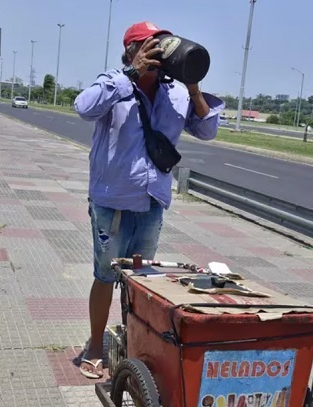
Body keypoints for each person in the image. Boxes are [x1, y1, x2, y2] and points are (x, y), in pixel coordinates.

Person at [74, 21, 225, 379]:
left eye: (163, 45)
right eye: (151, 45)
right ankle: (95, 346)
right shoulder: (115, 82)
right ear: (132, 50)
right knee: (106, 276)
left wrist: (193, 85)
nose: (160, 52)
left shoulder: (177, 92)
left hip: (153, 201)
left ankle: (137, 346)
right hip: (113, 201)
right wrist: (131, 73)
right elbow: (84, 107)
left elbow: (207, 130)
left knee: (142, 280)